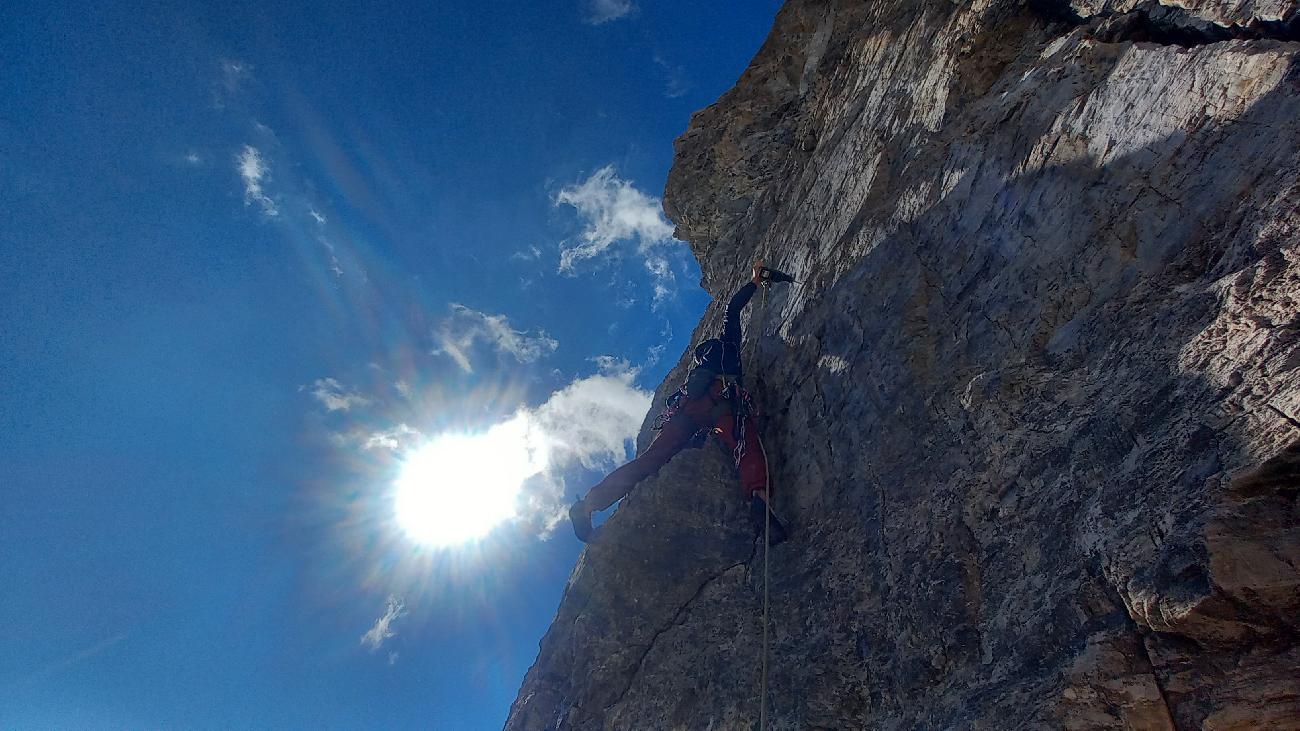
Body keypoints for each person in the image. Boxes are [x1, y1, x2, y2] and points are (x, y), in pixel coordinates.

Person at [569, 259, 792, 545]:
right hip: (720, 403)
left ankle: (588, 505)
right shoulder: (728, 346)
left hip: (685, 412)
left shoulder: (695, 372)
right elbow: (732, 310)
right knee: (743, 442)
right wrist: (753, 280)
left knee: (649, 461)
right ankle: (760, 499)